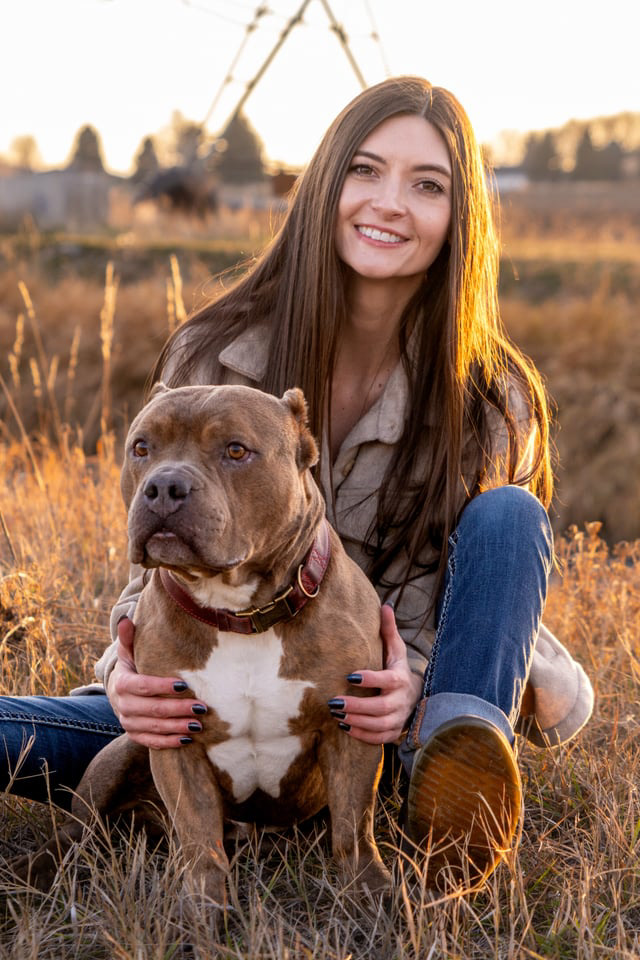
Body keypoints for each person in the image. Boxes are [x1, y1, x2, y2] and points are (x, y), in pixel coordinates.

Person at [0, 77, 593, 887]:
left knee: (509, 518)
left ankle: (451, 760)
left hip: (372, 710)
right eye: (365, 170)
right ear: (323, 184)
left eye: (427, 185)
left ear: (462, 217)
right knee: (22, 733)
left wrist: (411, 688)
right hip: (207, 698)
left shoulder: (490, 396)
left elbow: (463, 597)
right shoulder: (214, 351)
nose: (388, 203)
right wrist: (126, 679)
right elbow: (154, 574)